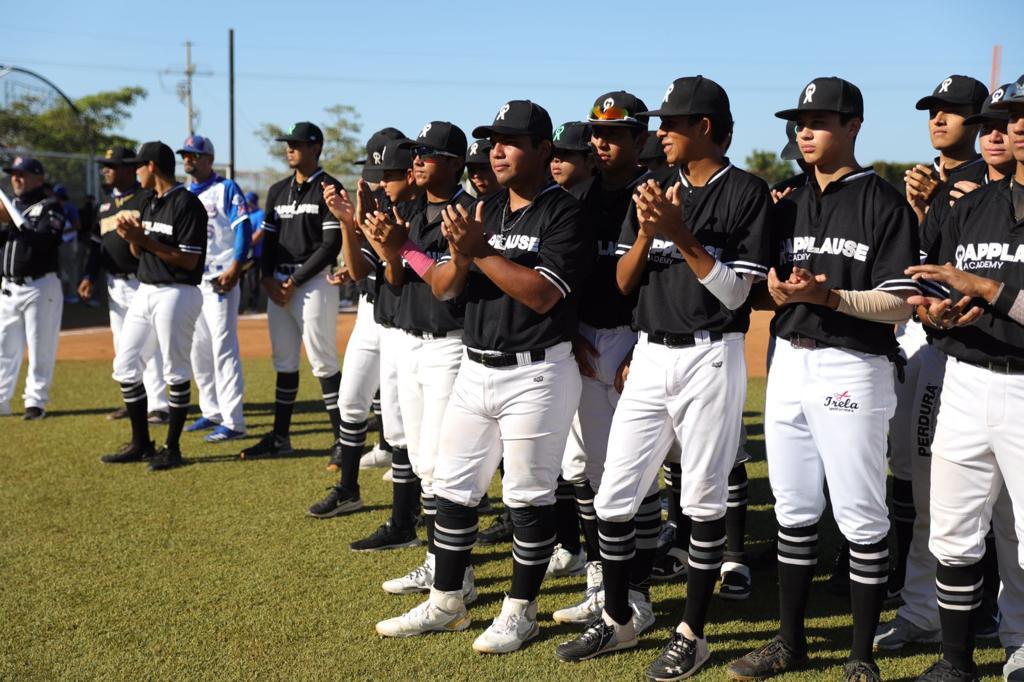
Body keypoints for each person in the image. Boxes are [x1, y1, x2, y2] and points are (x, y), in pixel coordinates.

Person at [555, 78, 770, 681]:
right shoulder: (654, 191)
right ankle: (622, 616)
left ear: (705, 127)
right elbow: (624, 283)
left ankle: (692, 634)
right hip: (650, 353)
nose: (661, 133)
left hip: (711, 353)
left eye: (671, 124)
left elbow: (734, 292)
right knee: (614, 495)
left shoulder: (746, 193)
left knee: (701, 502)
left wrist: (679, 233)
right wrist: (651, 230)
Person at [375, 99, 592, 655]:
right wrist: (429, 255)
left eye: (510, 141)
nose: (496, 149)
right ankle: (447, 600)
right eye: (492, 140)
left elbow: (543, 295)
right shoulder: (486, 208)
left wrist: (481, 252)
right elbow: (447, 287)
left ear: (543, 150)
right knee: (452, 487)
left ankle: (521, 612)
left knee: (528, 497)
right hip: (475, 366)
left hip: (537, 371)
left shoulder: (565, 212)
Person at [728, 77, 920, 682]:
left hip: (853, 365)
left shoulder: (882, 202)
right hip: (788, 361)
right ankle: (791, 644)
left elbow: (901, 305)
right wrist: (773, 292)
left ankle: (860, 656)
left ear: (854, 125)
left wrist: (830, 297)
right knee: (792, 509)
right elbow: (758, 286)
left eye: (820, 120)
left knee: (861, 514)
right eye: (799, 121)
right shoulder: (785, 201)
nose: (805, 131)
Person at [902, 73, 1024, 682]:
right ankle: (954, 662)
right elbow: (929, 285)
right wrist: (936, 313)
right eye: (1008, 116)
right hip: (968, 377)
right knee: (952, 530)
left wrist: (989, 289)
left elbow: (985, 286)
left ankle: (1020, 645)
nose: (1015, 126)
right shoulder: (971, 206)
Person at [875, 79, 1005, 652]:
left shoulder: (987, 184)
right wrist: (923, 208)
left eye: (954, 112)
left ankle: (987, 613)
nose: (940, 119)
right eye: (934, 111)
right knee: (925, 484)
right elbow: (923, 264)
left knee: (994, 506)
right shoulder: (935, 184)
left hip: (994, 359)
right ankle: (929, 607)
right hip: (939, 348)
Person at [548, 89, 652, 622]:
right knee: (588, 470)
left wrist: (642, 344)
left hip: (635, 340)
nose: (604, 142)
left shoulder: (652, 193)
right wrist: (572, 334)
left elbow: (660, 286)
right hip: (585, 339)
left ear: (640, 137)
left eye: (615, 133)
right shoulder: (578, 200)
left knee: (632, 473)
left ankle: (638, 583)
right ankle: (602, 579)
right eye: (598, 134)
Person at [308, 137, 420, 529]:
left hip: (401, 320)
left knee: (400, 421)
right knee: (350, 400)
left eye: (384, 174)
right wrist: (346, 222)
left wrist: (360, 224)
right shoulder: (376, 207)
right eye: (373, 174)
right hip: (370, 313)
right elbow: (358, 273)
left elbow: (394, 273)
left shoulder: (410, 211)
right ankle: (349, 489)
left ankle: (408, 512)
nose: (376, 182)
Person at [239, 122, 344, 461]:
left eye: (297, 143)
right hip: (279, 286)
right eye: (289, 143)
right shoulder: (279, 189)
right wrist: (267, 278)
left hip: (312, 285)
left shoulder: (329, 187)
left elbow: (330, 246)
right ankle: (281, 437)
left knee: (323, 362)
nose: (290, 149)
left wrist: (294, 281)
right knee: (284, 361)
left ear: (316, 148)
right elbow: (268, 242)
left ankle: (343, 442)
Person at [99, 142, 207, 471]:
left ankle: (171, 448)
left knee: (174, 371)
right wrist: (132, 237)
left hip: (177, 292)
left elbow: (189, 259)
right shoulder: (149, 202)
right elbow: (137, 255)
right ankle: (141, 442)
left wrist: (145, 240)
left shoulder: (187, 203)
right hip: (146, 289)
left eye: (139, 166)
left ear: (152, 167)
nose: (136, 172)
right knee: (126, 365)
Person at [79, 146, 169, 424]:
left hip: (141, 281)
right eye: (105, 165)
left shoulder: (144, 198)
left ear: (130, 169)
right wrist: (88, 275)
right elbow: (96, 246)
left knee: (149, 346)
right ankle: (134, 403)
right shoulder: (104, 204)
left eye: (112, 165)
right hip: (114, 284)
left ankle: (159, 405)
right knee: (124, 345)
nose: (106, 169)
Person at [177, 135, 251, 443]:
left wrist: (236, 265)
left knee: (223, 348)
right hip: (194, 281)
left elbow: (242, 228)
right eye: (186, 155)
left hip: (220, 278)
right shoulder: (182, 194)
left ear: (209, 159)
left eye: (195, 155)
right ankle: (211, 411)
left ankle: (234, 421)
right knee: (198, 349)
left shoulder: (225, 188)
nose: (189, 159)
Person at [0, 157, 66, 420]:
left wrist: (14, 222)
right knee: (4, 347)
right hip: (8, 287)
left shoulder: (50, 207)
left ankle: (35, 403)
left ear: (38, 178)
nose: (16, 179)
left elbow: (46, 242)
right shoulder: (11, 207)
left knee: (41, 347)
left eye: (23, 174)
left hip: (40, 286)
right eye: (14, 174)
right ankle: (2, 400)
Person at [53, 183, 82, 303]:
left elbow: (77, 225)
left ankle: (73, 294)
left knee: (71, 269)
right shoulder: (54, 207)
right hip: (58, 242)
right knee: (58, 270)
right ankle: (61, 295)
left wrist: (62, 231)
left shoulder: (69, 207)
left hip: (68, 242)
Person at [550, 122, 596, 189]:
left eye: (566, 153)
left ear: (590, 161)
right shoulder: (545, 196)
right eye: (553, 153)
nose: (556, 159)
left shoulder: (604, 198)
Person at [241, 191, 264, 313]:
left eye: (250, 203)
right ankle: (238, 306)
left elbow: (260, 232)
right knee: (238, 281)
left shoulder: (260, 214)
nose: (248, 205)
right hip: (242, 255)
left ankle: (253, 306)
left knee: (253, 282)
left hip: (254, 255)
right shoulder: (244, 214)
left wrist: (247, 245)